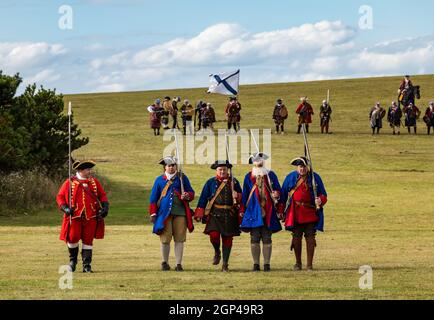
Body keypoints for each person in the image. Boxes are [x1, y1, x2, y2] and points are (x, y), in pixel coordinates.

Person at [56, 160, 109, 273]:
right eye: (87, 170)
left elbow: (102, 195)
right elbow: (60, 197)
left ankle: (87, 265)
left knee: (88, 240)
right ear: (80, 170)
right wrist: (65, 208)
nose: (90, 172)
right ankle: (73, 261)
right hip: (75, 216)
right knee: (73, 238)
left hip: (91, 216)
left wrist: (105, 207)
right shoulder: (69, 182)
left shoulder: (94, 182)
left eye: (90, 169)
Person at [280, 157, 327, 271]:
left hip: (310, 212)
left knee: (310, 238)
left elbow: (324, 195)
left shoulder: (315, 177)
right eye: (300, 167)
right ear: (297, 167)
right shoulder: (290, 177)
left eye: (304, 167)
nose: (302, 169)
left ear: (308, 167)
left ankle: (309, 265)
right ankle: (298, 263)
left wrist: (320, 200)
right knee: (296, 237)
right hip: (295, 212)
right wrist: (281, 211)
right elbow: (283, 196)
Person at [194, 160, 242, 272]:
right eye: (220, 169)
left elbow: (241, 199)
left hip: (230, 214)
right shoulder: (210, 182)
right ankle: (217, 251)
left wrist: (237, 195)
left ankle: (225, 264)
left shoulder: (234, 182)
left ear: (227, 170)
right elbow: (203, 198)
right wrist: (199, 212)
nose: (222, 172)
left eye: (224, 170)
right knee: (214, 235)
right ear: (216, 170)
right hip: (215, 214)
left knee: (228, 239)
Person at [149, 156, 195, 271]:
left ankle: (178, 264)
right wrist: (153, 214)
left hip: (180, 212)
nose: (171, 167)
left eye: (173, 165)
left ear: (176, 166)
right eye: (169, 165)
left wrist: (187, 195)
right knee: (165, 239)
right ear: (165, 167)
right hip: (165, 214)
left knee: (179, 239)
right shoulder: (159, 180)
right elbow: (153, 199)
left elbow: (191, 192)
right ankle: (165, 262)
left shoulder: (182, 178)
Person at [239, 152, 283, 272]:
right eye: (256, 160)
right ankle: (256, 264)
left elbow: (278, 191)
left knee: (267, 238)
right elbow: (245, 195)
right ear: (253, 163)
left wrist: (276, 194)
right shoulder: (248, 177)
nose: (258, 162)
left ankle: (267, 264)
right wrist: (242, 210)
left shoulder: (271, 175)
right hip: (253, 211)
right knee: (254, 238)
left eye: (260, 160)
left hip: (268, 211)